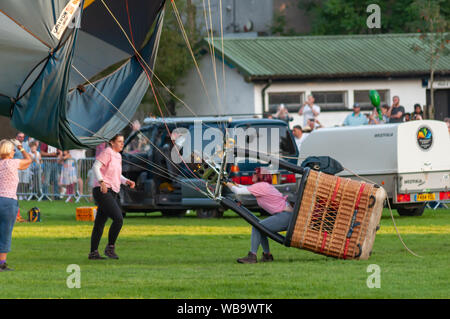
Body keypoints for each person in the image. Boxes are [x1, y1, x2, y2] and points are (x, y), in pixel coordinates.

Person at [226, 168, 293, 263]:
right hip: (286, 216)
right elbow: (242, 188)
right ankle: (267, 256)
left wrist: (226, 183)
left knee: (257, 227)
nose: (252, 174)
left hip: (285, 216)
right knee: (262, 229)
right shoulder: (264, 186)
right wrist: (231, 183)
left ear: (261, 176)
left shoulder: (261, 186)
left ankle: (252, 256)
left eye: (255, 173)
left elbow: (238, 191)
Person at [88, 134, 135, 260]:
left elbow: (116, 175)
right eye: (119, 141)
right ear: (112, 142)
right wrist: (101, 182)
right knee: (118, 218)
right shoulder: (108, 152)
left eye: (122, 141)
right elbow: (96, 167)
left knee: (99, 223)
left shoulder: (118, 156)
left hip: (112, 191)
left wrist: (126, 181)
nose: (122, 144)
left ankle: (93, 253)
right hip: (102, 190)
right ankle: (110, 248)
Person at [0, 139, 32, 271]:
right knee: (6, 232)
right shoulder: (12, 163)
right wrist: (21, 147)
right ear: (8, 151)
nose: (14, 152)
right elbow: (29, 160)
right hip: (8, 201)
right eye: (13, 150)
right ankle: (2, 263)